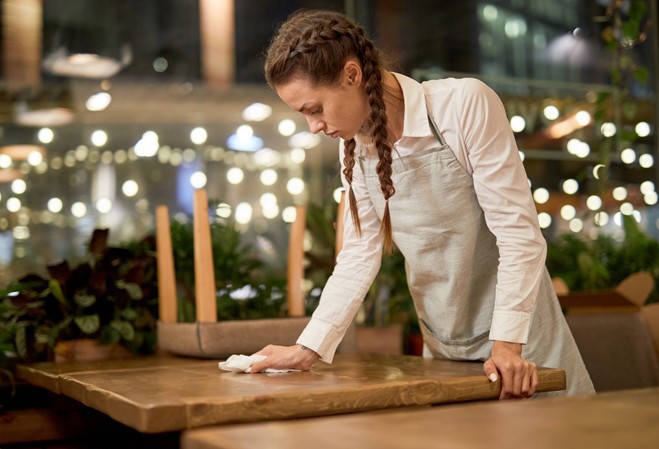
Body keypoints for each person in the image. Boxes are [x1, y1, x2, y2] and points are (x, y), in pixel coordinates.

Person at [248, 9, 595, 399]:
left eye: (314, 109)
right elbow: (359, 256)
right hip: (444, 344)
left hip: (520, 343)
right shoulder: (357, 149)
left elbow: (519, 236)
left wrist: (508, 346)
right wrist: (306, 348)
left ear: (351, 75)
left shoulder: (463, 106)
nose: (313, 126)